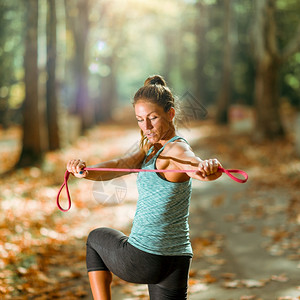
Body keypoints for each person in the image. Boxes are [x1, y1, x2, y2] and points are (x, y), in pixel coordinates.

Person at [66, 75, 222, 300]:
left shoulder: (175, 150)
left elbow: (196, 166)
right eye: (140, 119)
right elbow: (120, 165)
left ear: (171, 114)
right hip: (177, 260)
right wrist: (84, 171)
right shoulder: (151, 146)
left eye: (153, 118)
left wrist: (208, 166)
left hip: (145, 256)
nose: (146, 126)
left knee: (95, 239)